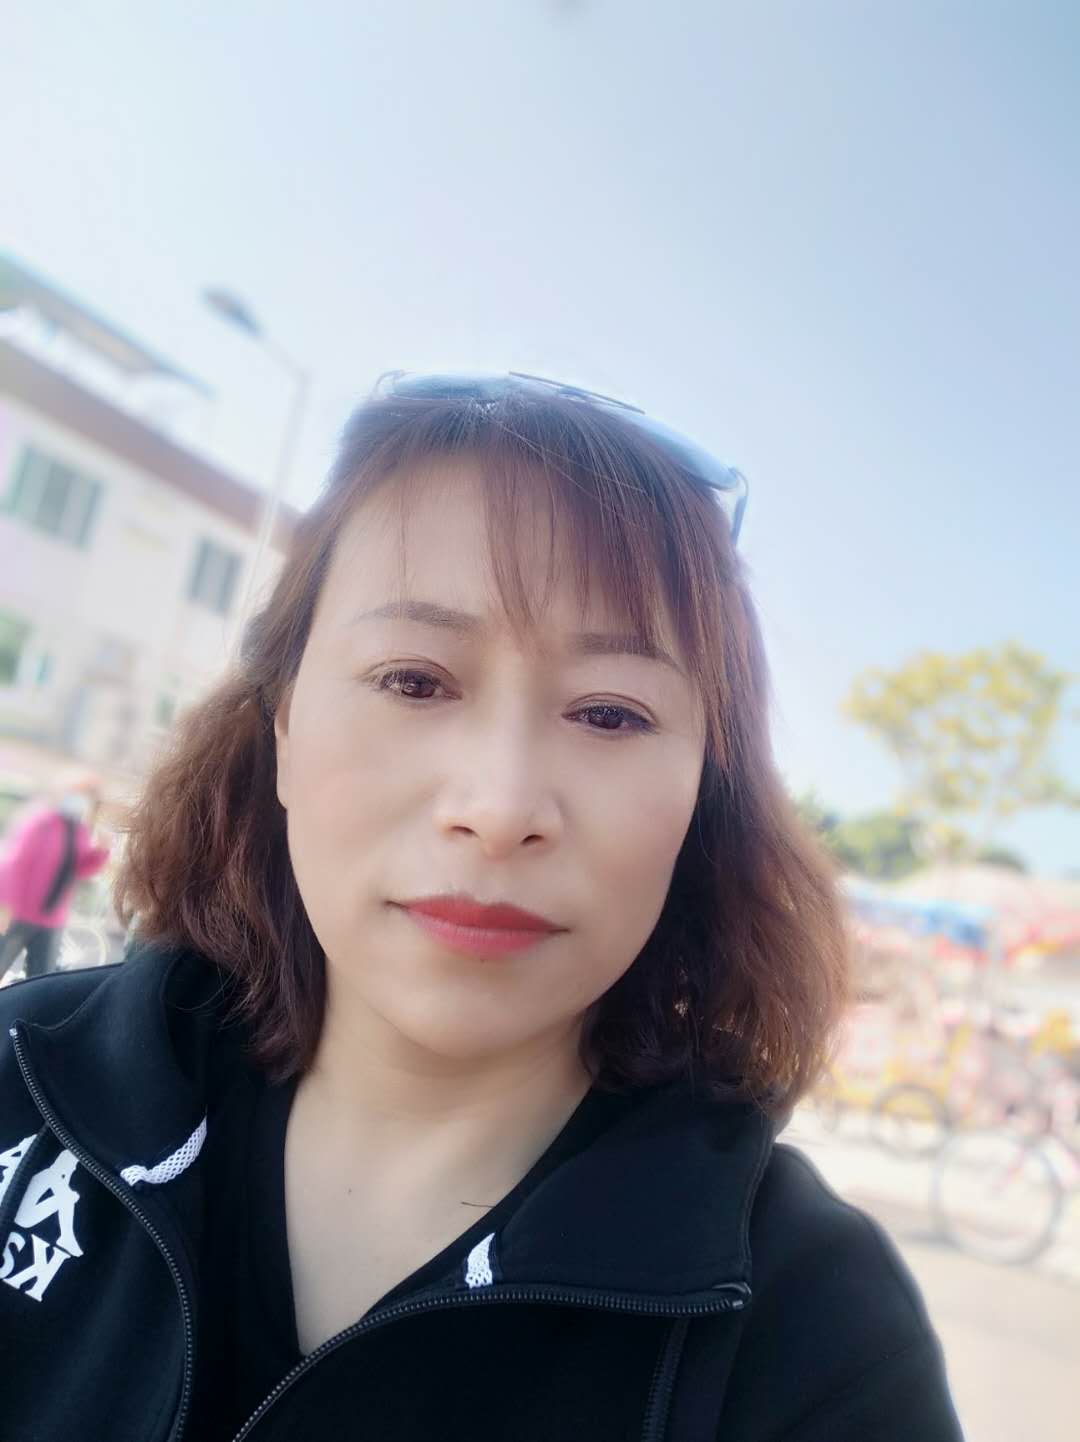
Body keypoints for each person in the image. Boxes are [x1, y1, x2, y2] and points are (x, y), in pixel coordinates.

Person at [0, 373, 965, 1441]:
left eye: (610, 712)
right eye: (414, 681)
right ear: (282, 726)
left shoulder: (815, 1334)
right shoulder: (21, 1079)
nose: (501, 810)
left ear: (705, 792)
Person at [0, 770, 111, 983]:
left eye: (87, 795)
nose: (81, 799)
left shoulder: (78, 830)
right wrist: (4, 906)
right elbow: (13, 866)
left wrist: (101, 852)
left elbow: (79, 870)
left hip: (52, 919)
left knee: (40, 981)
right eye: (78, 792)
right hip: (19, 914)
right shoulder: (38, 821)